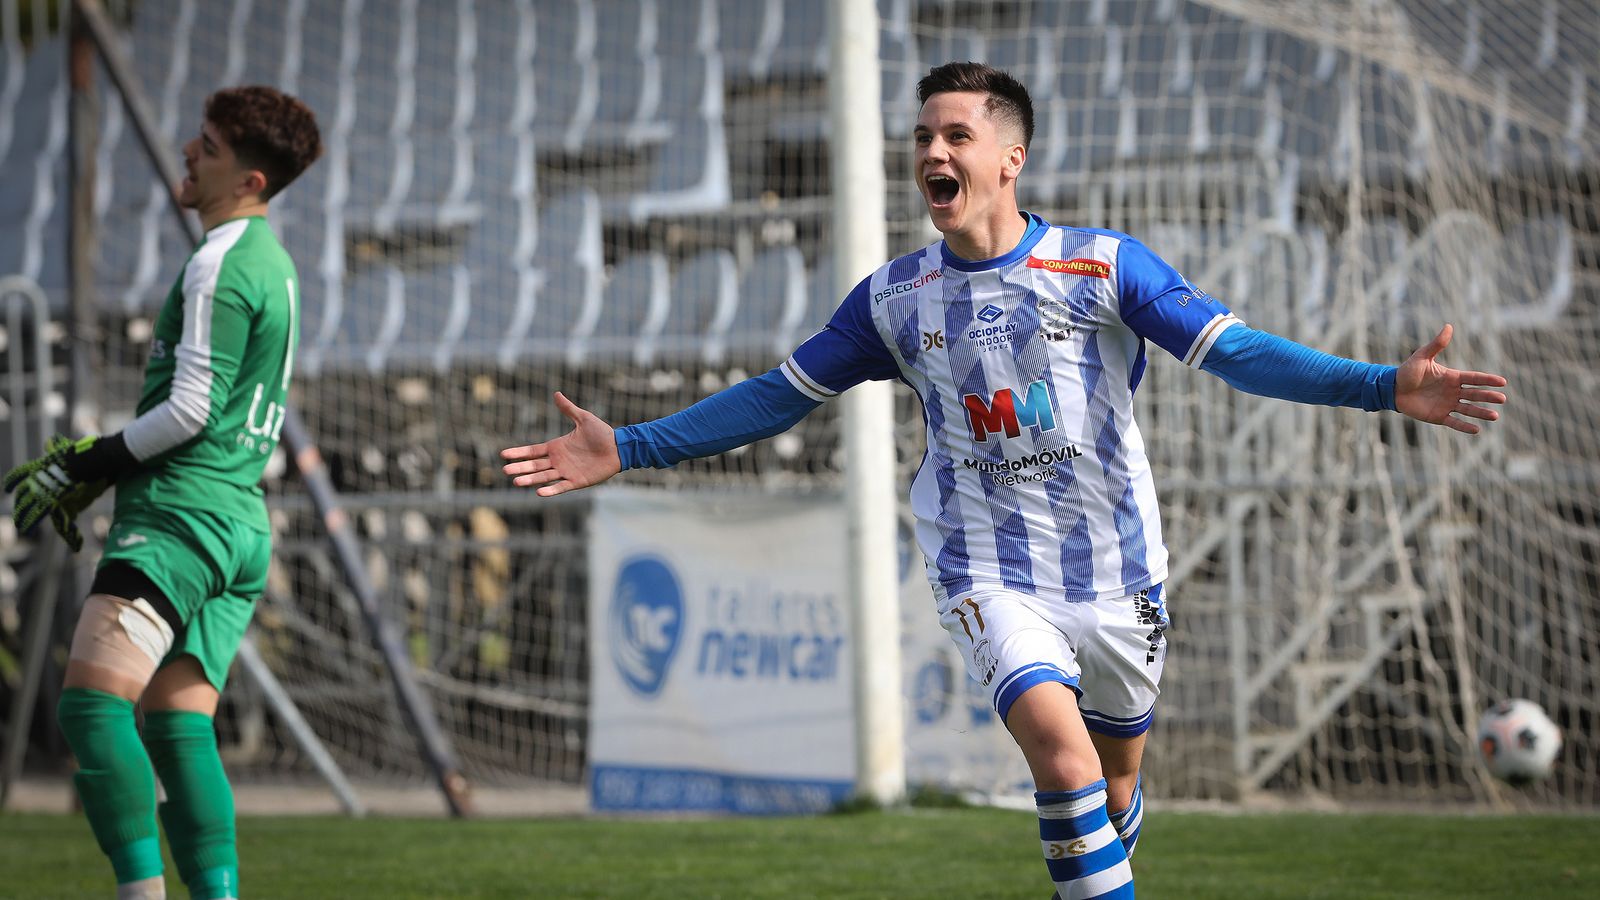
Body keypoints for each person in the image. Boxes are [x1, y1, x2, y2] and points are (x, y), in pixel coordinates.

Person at [499, 62, 1507, 898]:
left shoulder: (1101, 267)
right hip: (988, 571)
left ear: (1009, 158)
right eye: (923, 140)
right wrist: (629, 446)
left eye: (955, 137)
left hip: (1118, 571)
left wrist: (1380, 386)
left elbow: (1234, 352)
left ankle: (1116, 817)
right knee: (1059, 762)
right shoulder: (894, 297)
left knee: (1112, 783)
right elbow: (778, 395)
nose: (933, 154)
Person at [5, 86, 321, 900]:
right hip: (240, 523)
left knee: (91, 711)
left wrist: (88, 462)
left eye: (209, 147)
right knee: (180, 730)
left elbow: (190, 410)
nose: (189, 151)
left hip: (181, 515)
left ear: (250, 179)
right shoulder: (277, 265)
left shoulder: (220, 259)